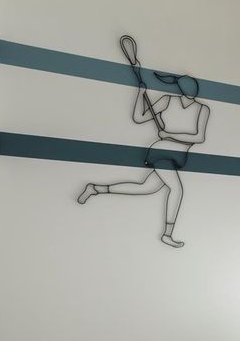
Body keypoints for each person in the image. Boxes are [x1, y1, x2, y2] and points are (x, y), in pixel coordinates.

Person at [77, 72, 210, 248]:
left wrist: (169, 133)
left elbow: (199, 137)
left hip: (178, 157)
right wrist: (140, 94)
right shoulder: (168, 100)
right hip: (162, 152)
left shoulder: (203, 109)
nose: (191, 92)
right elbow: (139, 118)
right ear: (181, 88)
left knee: (145, 188)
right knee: (176, 189)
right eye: (188, 88)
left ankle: (96, 189)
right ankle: (167, 234)